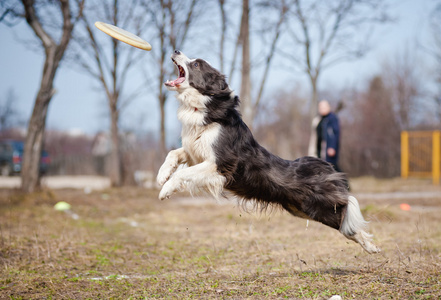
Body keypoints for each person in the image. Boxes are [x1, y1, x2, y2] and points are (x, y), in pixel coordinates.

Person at [316, 100, 341, 172]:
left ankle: (344, 182)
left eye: (323, 107)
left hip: (329, 148)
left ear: (328, 107)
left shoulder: (332, 118)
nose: (321, 109)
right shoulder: (320, 119)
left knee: (332, 167)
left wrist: (332, 147)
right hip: (321, 148)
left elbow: (335, 133)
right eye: (320, 108)